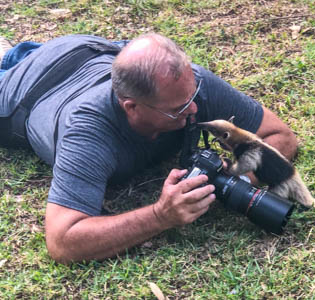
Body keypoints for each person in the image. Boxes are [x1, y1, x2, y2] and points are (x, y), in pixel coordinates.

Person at [0, 33, 298, 264]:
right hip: (25, 90)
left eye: (194, 94)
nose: (195, 107)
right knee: (12, 59)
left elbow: (279, 135)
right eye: (179, 108)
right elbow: (62, 240)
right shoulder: (88, 132)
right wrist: (160, 216)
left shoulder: (185, 84)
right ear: (131, 107)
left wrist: (240, 180)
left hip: (89, 51)